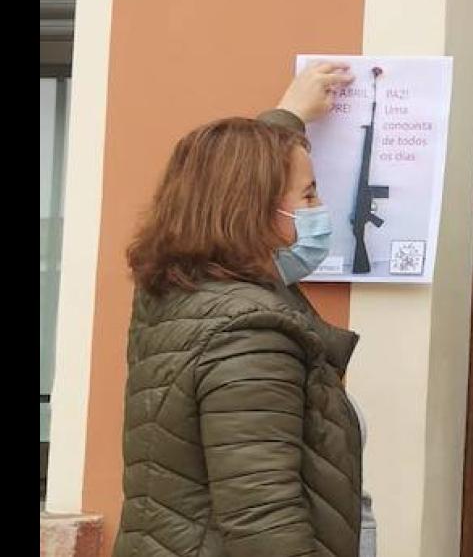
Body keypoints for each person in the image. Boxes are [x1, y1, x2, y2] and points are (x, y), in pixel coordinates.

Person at [114, 62, 377, 557]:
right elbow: (264, 522)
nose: (320, 207)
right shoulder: (248, 335)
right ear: (254, 212)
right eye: (309, 193)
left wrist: (289, 118)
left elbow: (229, 178)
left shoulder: (176, 294)